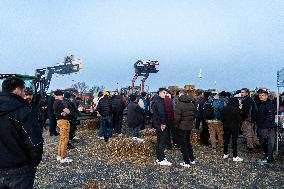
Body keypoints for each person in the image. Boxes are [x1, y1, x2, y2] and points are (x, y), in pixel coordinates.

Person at [0, 77, 43, 189]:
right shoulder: (23, 110)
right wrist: (34, 163)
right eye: (24, 91)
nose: (25, 94)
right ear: (18, 90)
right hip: (19, 169)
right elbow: (34, 142)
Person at [174, 90, 196, 167]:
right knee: (188, 143)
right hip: (189, 127)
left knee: (183, 145)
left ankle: (186, 162)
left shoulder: (179, 105)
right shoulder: (191, 104)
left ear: (180, 95)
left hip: (181, 128)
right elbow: (193, 116)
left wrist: (175, 126)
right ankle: (192, 159)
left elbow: (177, 118)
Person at [152, 88, 172, 166]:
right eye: (164, 92)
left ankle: (160, 157)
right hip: (161, 125)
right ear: (159, 93)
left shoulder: (156, 100)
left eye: (166, 93)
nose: (165, 94)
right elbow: (162, 113)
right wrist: (163, 124)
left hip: (157, 124)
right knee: (162, 142)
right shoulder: (159, 102)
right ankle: (161, 159)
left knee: (159, 141)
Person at [256, 90, 276, 165]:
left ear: (267, 96)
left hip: (267, 128)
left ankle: (269, 159)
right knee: (263, 142)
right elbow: (260, 115)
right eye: (260, 95)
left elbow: (270, 117)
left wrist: (266, 127)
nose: (261, 96)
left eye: (263, 95)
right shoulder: (261, 104)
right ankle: (268, 156)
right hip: (261, 127)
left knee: (269, 143)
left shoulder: (269, 104)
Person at [53, 90, 73, 163]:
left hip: (59, 121)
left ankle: (59, 155)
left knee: (62, 139)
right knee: (65, 140)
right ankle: (63, 157)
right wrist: (66, 111)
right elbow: (68, 111)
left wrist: (64, 112)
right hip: (64, 122)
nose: (62, 96)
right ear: (59, 95)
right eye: (61, 95)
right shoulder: (59, 102)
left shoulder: (55, 102)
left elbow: (64, 112)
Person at [222, 97, 243, 162]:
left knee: (226, 140)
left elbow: (222, 118)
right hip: (234, 127)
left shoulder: (224, 108)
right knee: (234, 142)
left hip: (226, 126)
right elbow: (239, 119)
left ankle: (225, 154)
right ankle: (235, 156)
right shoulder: (236, 109)